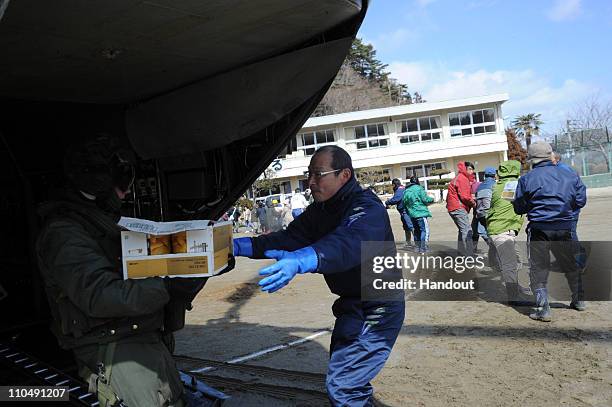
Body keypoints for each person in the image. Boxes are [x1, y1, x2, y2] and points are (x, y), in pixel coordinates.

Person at [36, 136, 204, 406]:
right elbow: (99, 294)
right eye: (122, 183)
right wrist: (166, 287)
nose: (127, 192)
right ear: (99, 184)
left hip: (140, 339)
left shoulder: (100, 221)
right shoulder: (64, 233)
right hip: (114, 349)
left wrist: (203, 265)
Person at [233, 145, 404, 406]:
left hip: (379, 305)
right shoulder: (319, 211)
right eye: (308, 174)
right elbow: (288, 238)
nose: (310, 182)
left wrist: (304, 260)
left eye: (318, 174)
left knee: (344, 384)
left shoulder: (367, 208)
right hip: (351, 305)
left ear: (344, 175)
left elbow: (349, 242)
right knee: (348, 380)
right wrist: (237, 247)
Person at [513, 142, 587, 322]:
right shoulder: (569, 173)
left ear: (531, 159)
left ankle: (542, 309)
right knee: (569, 263)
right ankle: (579, 300)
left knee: (538, 267)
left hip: (539, 228)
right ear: (549, 155)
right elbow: (580, 200)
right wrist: (565, 210)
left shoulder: (526, 179)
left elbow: (519, 208)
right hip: (564, 226)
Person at [486, 160, 531, 305]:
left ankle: (516, 288)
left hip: (500, 228)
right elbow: (520, 203)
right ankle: (513, 297)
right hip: (502, 230)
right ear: (515, 171)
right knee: (510, 264)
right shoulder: (513, 185)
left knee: (517, 259)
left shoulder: (498, 185)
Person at [552, 152, 586, 270]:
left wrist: (573, 207)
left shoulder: (565, 171)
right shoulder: (556, 171)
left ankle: (580, 263)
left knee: (570, 236)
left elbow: (580, 191)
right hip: (561, 212)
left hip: (569, 212)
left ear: (555, 159)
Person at [446, 161, 476, 255]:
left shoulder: (458, 177)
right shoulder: (462, 179)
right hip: (458, 207)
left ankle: (462, 252)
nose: (472, 171)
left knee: (462, 230)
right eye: (470, 169)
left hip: (453, 207)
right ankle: (469, 255)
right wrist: (474, 203)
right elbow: (465, 196)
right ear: (465, 169)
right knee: (467, 231)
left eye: (472, 169)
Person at [402, 176, 433, 253]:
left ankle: (417, 247)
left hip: (412, 214)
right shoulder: (419, 188)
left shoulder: (406, 191)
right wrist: (432, 199)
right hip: (420, 213)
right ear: (418, 181)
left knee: (416, 230)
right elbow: (425, 199)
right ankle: (424, 248)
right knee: (424, 230)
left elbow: (404, 203)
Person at [385, 178, 414, 246]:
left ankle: (418, 243)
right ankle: (408, 242)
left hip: (405, 210)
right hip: (404, 210)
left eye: (392, 185)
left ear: (394, 184)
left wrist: (387, 202)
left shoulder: (399, 190)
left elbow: (396, 199)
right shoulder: (402, 187)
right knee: (406, 227)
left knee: (410, 226)